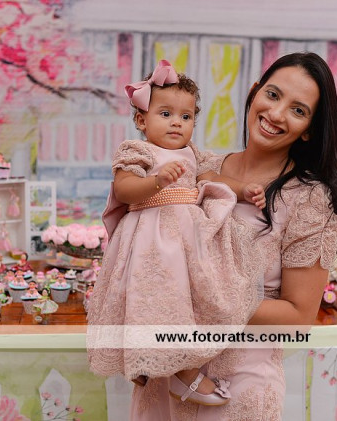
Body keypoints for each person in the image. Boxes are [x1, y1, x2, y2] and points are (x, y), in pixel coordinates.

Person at [130, 52, 337, 420]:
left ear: (309, 129)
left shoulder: (309, 199)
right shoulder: (198, 167)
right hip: (164, 372)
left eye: (298, 110)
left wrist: (199, 296)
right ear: (254, 93)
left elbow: (299, 316)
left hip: (235, 390)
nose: (277, 113)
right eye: (273, 94)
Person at [87, 60, 267, 406]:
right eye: (166, 114)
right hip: (150, 240)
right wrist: (156, 181)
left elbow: (211, 179)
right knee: (151, 299)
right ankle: (170, 369)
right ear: (142, 120)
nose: (176, 123)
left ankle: (173, 362)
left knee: (190, 300)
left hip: (186, 240)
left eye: (186, 117)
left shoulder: (192, 154)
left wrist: (244, 190)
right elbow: (124, 189)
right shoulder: (137, 150)